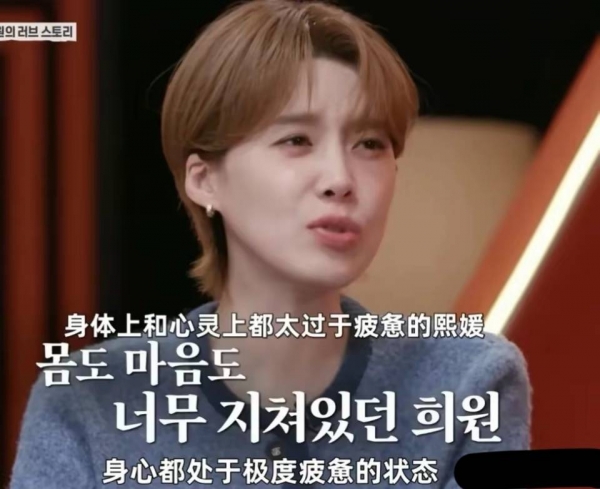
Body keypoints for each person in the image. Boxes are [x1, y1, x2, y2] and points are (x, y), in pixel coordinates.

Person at [10, 0, 531, 487]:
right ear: (204, 180)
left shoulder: (465, 382)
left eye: (370, 144)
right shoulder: (89, 399)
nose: (340, 178)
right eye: (296, 140)